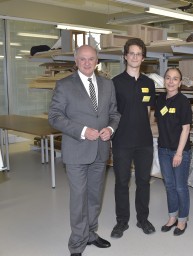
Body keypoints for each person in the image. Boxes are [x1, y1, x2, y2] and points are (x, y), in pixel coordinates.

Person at [48, 45, 120, 256]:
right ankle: (77, 243)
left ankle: (90, 233)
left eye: (91, 59)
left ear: (97, 61)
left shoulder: (107, 85)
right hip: (76, 150)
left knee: (94, 196)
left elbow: (114, 114)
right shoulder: (64, 85)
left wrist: (110, 129)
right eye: (83, 59)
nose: (87, 63)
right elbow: (55, 117)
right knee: (79, 197)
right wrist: (81, 131)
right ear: (76, 61)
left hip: (100, 150)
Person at [111, 38, 156, 238]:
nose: (135, 57)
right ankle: (121, 221)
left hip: (144, 141)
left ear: (143, 58)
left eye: (139, 54)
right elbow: (112, 113)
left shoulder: (149, 83)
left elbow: (148, 111)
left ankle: (143, 219)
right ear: (125, 56)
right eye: (131, 53)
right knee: (121, 182)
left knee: (143, 181)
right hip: (121, 141)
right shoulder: (115, 83)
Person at [155, 67, 192, 236]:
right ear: (164, 80)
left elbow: (186, 129)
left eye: (175, 79)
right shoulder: (160, 99)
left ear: (180, 82)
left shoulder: (183, 101)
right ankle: (172, 217)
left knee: (180, 187)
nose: (171, 81)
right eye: (168, 78)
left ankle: (182, 220)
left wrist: (178, 153)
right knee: (169, 186)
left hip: (180, 152)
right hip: (163, 149)